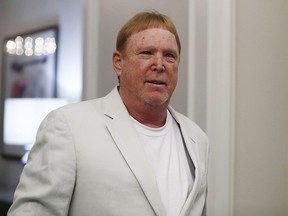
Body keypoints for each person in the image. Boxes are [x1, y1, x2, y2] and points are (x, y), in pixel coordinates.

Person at [8, 11, 209, 216]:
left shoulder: (196, 138)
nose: (159, 65)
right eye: (146, 53)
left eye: (169, 55)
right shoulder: (68, 127)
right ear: (118, 63)